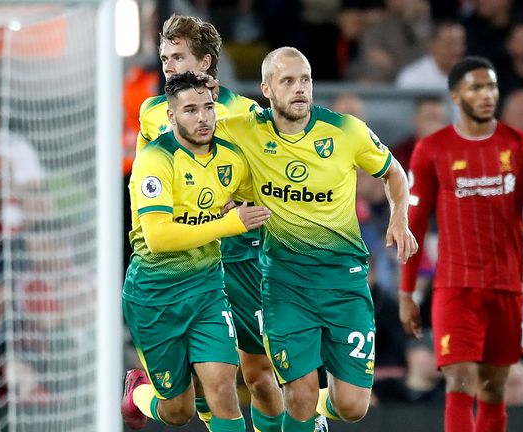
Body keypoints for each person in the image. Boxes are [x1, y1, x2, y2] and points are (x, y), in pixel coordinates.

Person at [215, 47, 417, 431]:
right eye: (287, 81)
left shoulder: (345, 130)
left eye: (305, 79)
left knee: (353, 405)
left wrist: (399, 217)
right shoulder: (244, 131)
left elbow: (394, 173)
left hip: (345, 284)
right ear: (267, 90)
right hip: (284, 285)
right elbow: (198, 132)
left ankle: (318, 419)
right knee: (301, 394)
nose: (299, 89)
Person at [132, 15, 292, 432]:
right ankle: (141, 394)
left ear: (205, 63)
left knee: (252, 372)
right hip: (175, 260)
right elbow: (186, 142)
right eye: (164, 57)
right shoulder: (157, 111)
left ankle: (302, 424)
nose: (167, 65)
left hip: (239, 255)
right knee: (184, 406)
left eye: (178, 57)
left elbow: (267, 167)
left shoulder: (249, 114)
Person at [399, 56, 523, 432]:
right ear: (456, 95)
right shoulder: (432, 149)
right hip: (456, 286)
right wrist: (407, 292)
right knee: (460, 380)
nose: (487, 95)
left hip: (505, 286)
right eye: (476, 87)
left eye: (492, 87)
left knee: (493, 389)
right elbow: (414, 224)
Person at [120, 72, 270, 432]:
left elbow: (266, 195)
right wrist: (231, 224)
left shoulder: (231, 159)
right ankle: (137, 393)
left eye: (208, 108)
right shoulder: (155, 161)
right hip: (155, 295)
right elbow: (158, 237)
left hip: (206, 288)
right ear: (171, 117)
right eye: (190, 110)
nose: (202, 118)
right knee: (177, 412)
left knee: (222, 387)